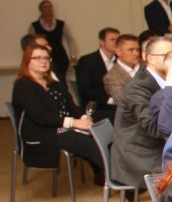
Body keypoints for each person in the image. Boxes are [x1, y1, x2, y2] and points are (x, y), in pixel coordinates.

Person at [11, 44, 105, 181]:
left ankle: (105, 173)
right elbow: (41, 116)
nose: (43, 61)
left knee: (100, 135)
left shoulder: (54, 84)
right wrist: (74, 123)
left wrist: (84, 118)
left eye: (46, 58)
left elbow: (72, 108)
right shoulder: (23, 85)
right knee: (85, 142)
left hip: (60, 128)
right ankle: (118, 178)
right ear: (27, 61)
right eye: (37, 58)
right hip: (40, 134)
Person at [111, 35, 172, 188]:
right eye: (168, 56)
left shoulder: (168, 80)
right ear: (150, 58)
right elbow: (154, 128)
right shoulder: (139, 86)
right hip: (140, 152)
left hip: (155, 144)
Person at [76, 27, 120, 122]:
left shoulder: (119, 60)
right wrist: (110, 100)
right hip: (96, 106)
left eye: (118, 40)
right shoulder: (87, 61)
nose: (116, 42)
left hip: (118, 102)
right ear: (102, 42)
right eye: (112, 39)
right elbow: (86, 90)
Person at [28, 0, 77, 80]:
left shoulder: (61, 24)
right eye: (45, 7)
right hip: (43, 57)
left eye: (50, 6)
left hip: (60, 57)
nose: (48, 9)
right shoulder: (34, 25)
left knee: (62, 79)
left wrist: (73, 56)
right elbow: (30, 43)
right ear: (40, 10)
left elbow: (70, 40)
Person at [104, 34, 142, 102]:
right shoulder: (112, 77)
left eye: (137, 50)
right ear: (118, 52)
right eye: (131, 50)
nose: (136, 53)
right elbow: (124, 102)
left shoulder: (148, 65)